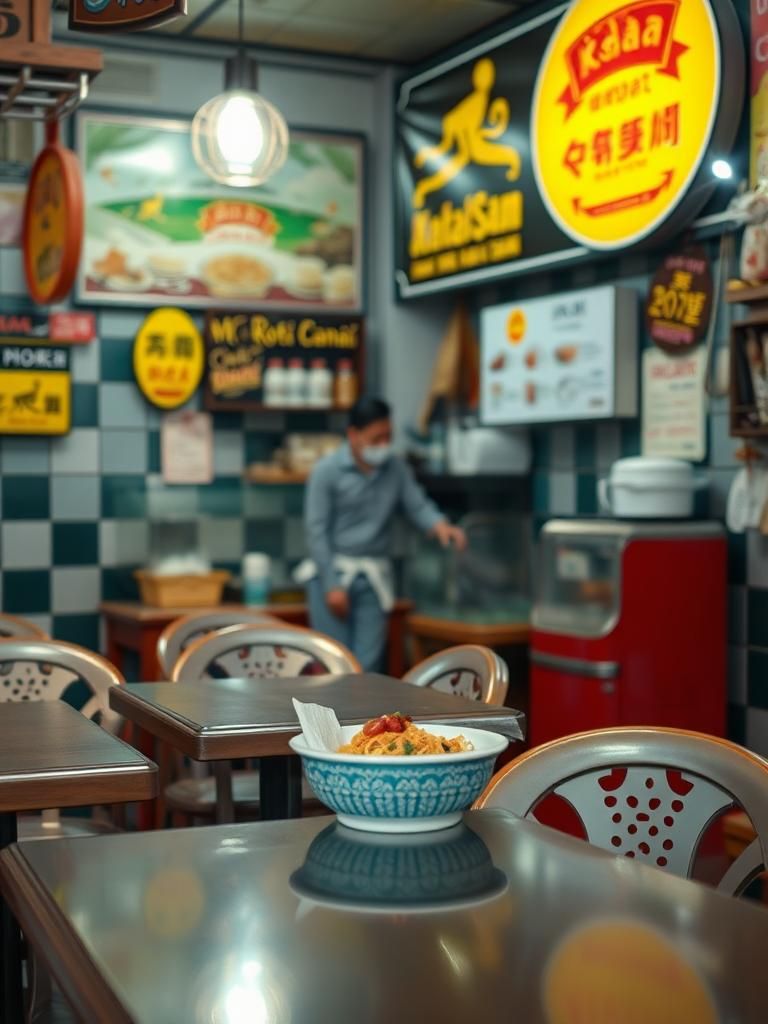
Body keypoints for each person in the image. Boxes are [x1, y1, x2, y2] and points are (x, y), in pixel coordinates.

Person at [299, 396, 466, 672]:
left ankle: (368, 717)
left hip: (374, 576)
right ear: (353, 435)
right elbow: (316, 531)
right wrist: (331, 585)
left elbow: (417, 504)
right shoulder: (326, 472)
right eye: (376, 438)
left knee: (369, 664)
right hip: (332, 574)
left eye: (388, 437)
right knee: (333, 663)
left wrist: (440, 525)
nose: (383, 445)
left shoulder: (396, 469)